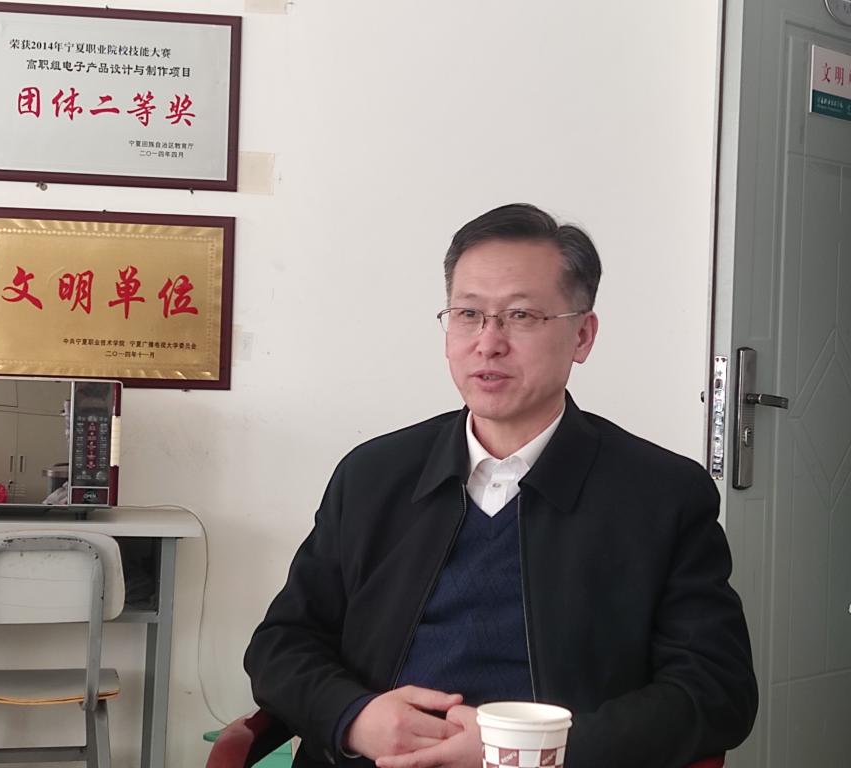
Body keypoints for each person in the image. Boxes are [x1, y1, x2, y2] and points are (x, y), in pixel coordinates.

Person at [244, 203, 757, 768]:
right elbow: (281, 645)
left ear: (582, 336)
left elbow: (715, 690)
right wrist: (355, 718)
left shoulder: (661, 496)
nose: (488, 343)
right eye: (468, 314)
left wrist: (530, 751)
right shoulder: (372, 476)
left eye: (521, 316)